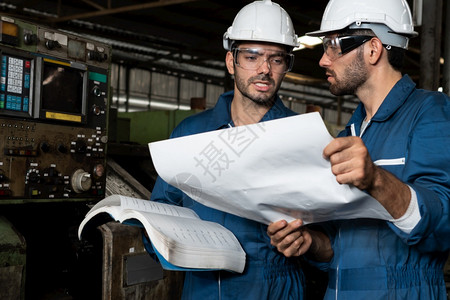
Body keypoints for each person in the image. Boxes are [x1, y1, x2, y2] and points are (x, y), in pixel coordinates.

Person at [267, 0, 450, 299]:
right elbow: (338, 249)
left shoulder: (430, 113)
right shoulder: (349, 133)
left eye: (333, 46)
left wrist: (377, 180)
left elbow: (443, 224)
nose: (324, 60)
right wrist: (310, 243)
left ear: (373, 49)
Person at [149, 1, 306, 299]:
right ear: (231, 61)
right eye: (252, 56)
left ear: (286, 66)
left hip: (276, 287)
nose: (264, 70)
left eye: (276, 59)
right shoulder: (190, 134)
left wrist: (308, 242)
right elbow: (163, 210)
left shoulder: (302, 136)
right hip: (203, 287)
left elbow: (329, 236)